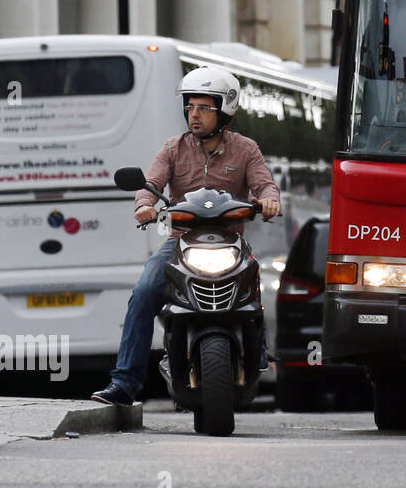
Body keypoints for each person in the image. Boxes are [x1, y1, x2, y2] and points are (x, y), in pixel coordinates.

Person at [91, 66, 282, 406]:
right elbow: (151, 184)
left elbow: (264, 184)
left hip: (230, 241)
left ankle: (259, 355)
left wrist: (269, 200)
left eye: (204, 108)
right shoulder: (173, 148)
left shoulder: (246, 149)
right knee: (144, 291)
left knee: (253, 283)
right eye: (190, 107)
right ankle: (124, 384)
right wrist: (145, 205)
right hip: (180, 242)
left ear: (225, 109)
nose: (195, 115)